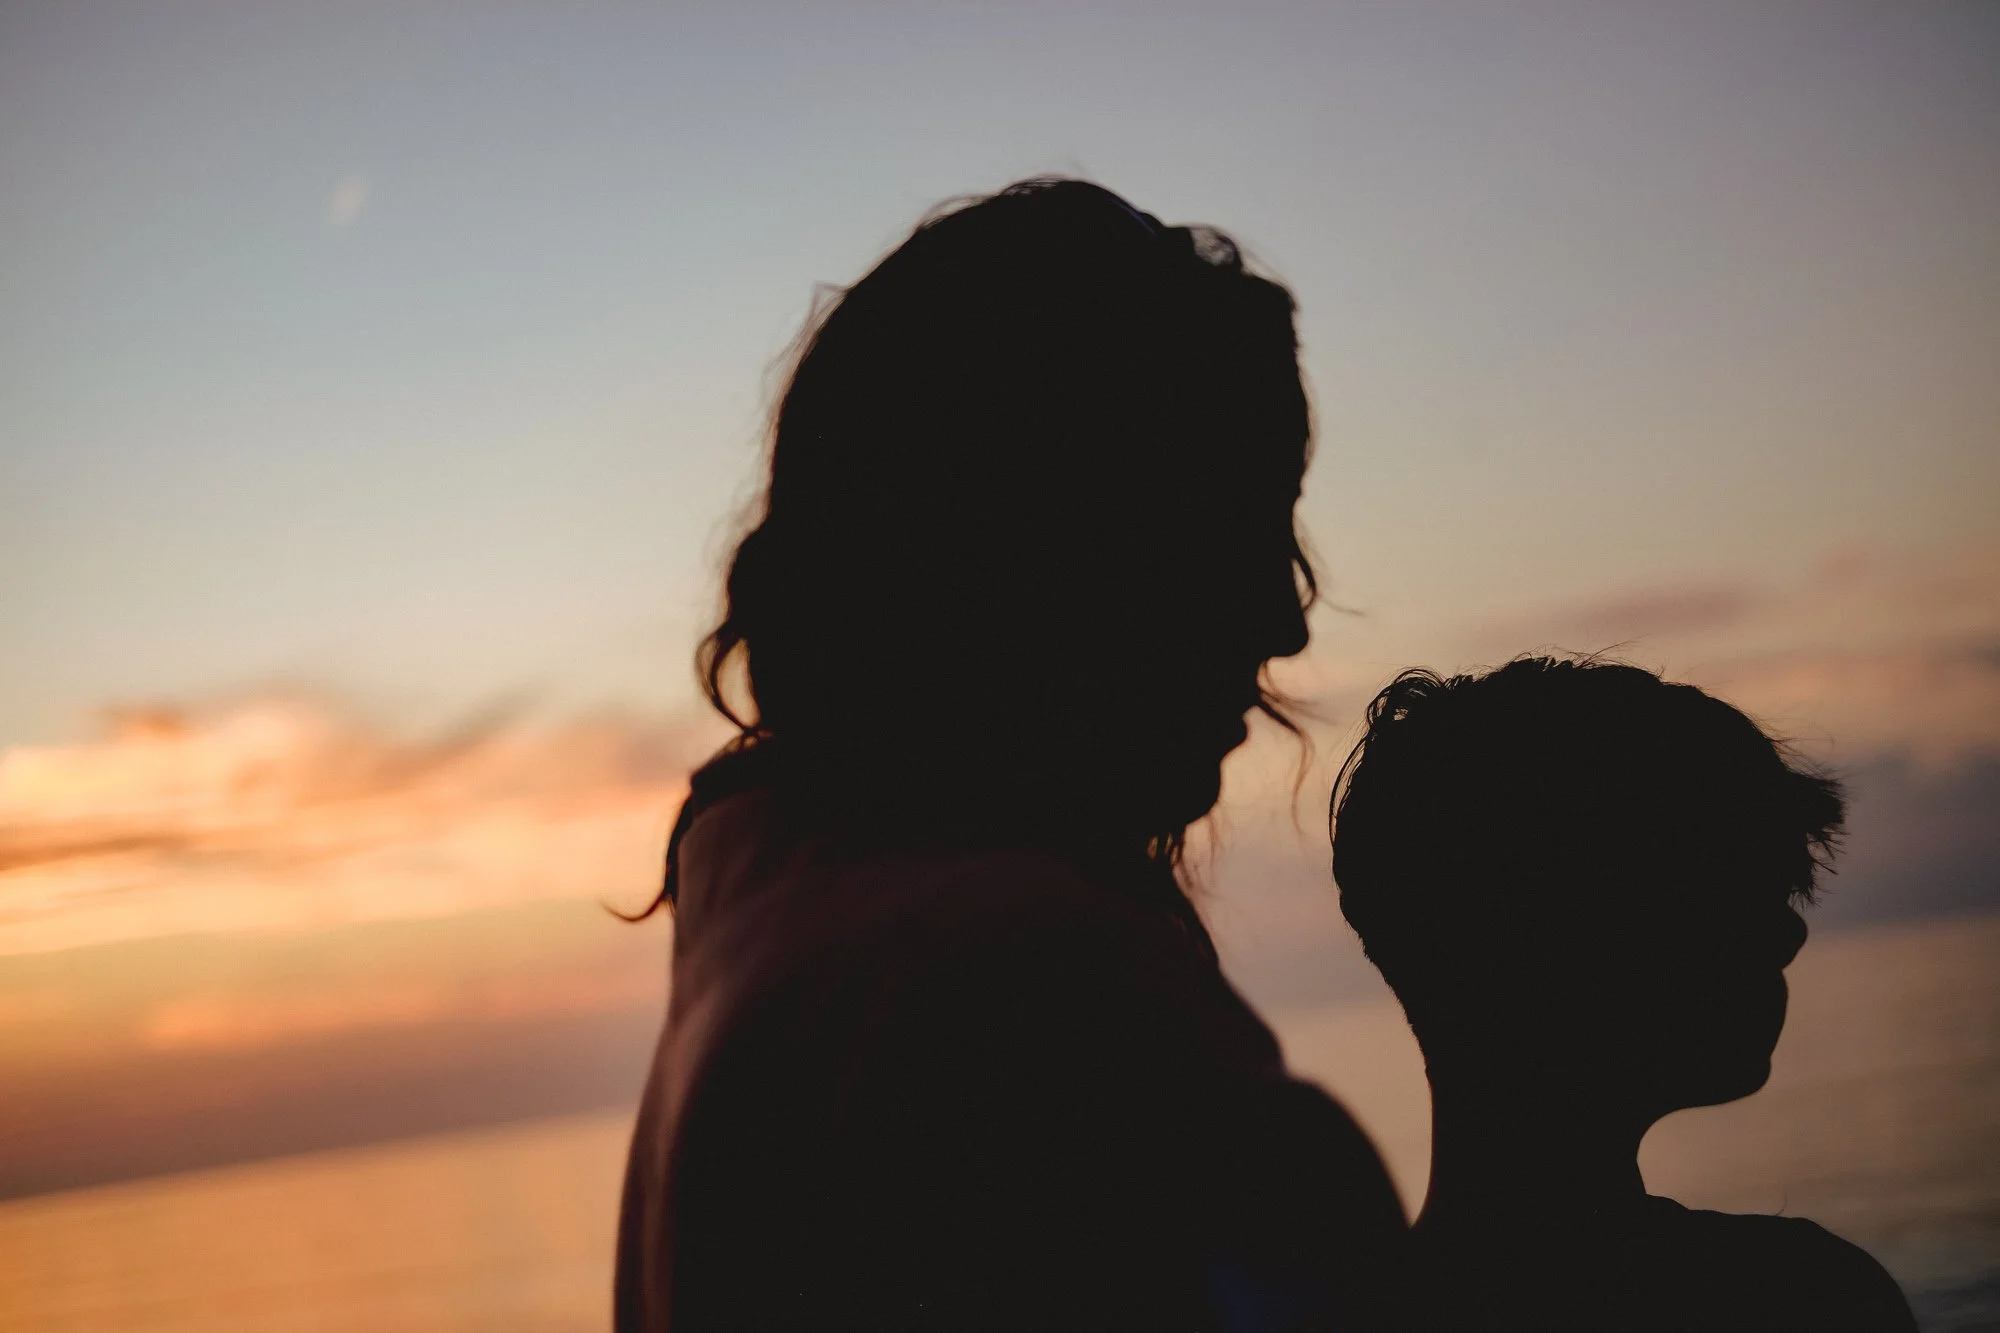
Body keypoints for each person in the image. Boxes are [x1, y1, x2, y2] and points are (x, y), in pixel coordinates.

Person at [614, 179, 1409, 1332]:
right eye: (1235, 521)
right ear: (1058, 549)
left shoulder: (765, 923)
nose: (1284, 620)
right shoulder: (1045, 1004)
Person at [1330, 655, 1918, 1331]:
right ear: (1551, 929)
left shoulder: (1357, 1310)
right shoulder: (1798, 1300)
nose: (1787, 933)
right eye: (1722, 881)